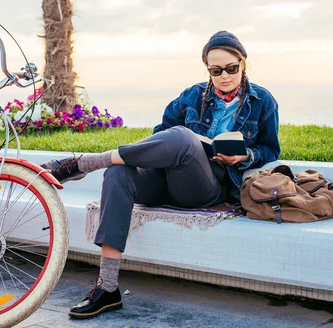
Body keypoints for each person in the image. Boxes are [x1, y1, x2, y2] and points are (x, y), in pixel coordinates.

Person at [41, 30, 281, 319]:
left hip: (207, 187)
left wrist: (244, 156)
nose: (224, 76)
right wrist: (172, 148)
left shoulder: (263, 101)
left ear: (243, 64)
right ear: (208, 70)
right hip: (167, 178)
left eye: (231, 68)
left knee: (182, 137)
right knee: (118, 173)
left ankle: (84, 163)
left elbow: (270, 149)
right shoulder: (192, 96)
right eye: (216, 70)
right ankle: (108, 288)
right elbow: (159, 137)